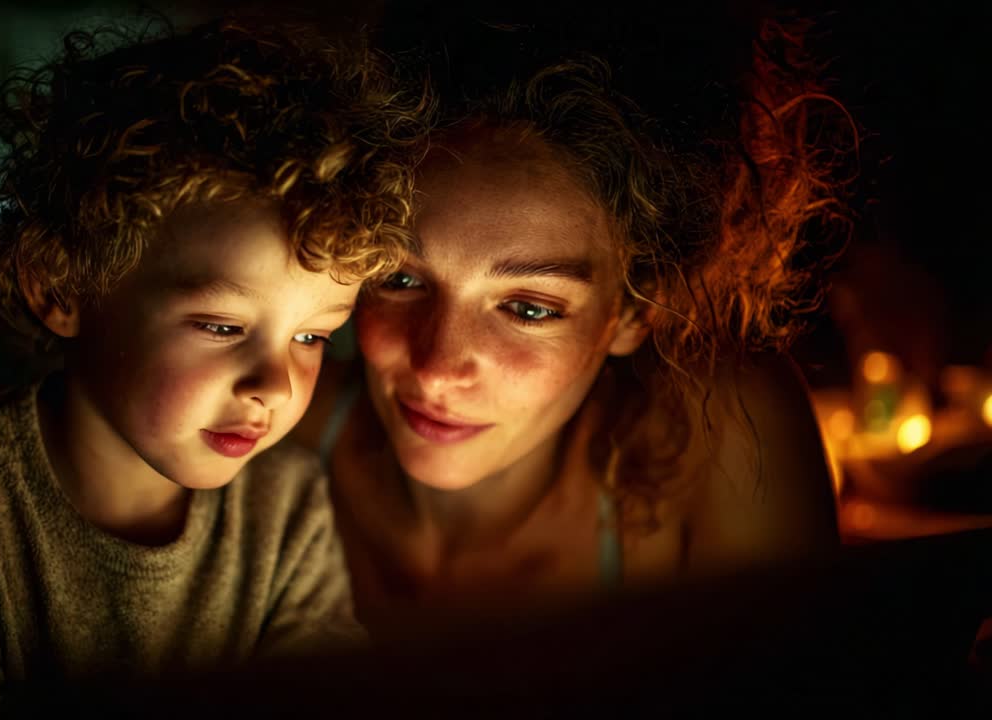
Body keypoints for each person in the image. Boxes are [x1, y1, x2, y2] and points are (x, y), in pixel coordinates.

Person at [0, 15, 425, 716]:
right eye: (223, 326)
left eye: (314, 337)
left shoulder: (285, 502)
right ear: (62, 288)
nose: (277, 385)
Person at [295, 8, 852, 639]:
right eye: (400, 279)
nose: (437, 368)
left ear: (634, 313)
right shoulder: (266, 438)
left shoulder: (725, 439)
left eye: (529, 308)